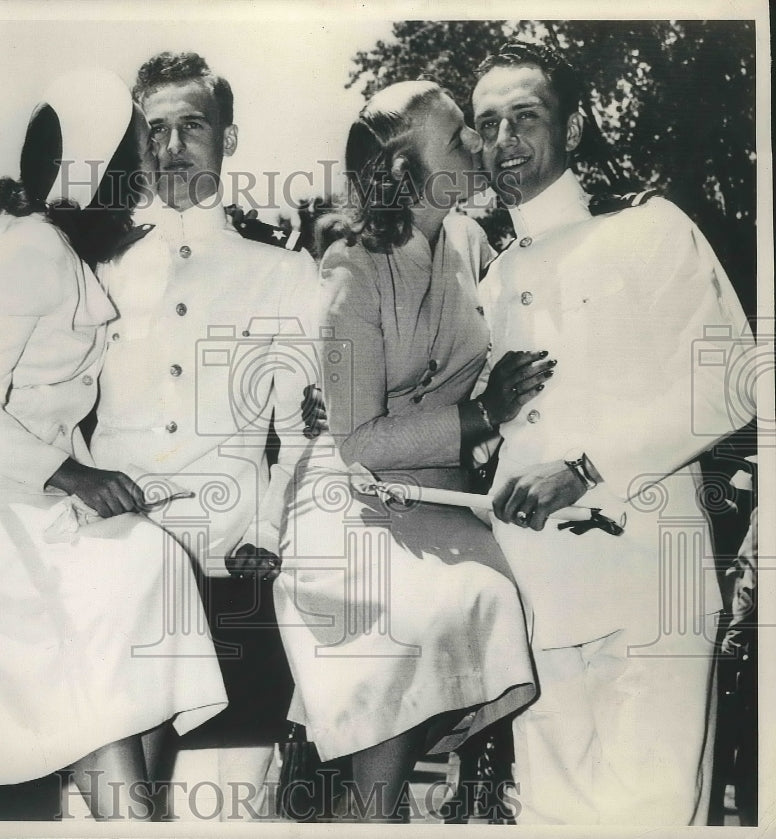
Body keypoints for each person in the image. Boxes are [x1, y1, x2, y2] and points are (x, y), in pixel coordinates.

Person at [0, 52, 320, 818]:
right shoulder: (94, 255)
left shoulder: (285, 275)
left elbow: (299, 435)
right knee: (104, 802)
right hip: (94, 532)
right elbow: (5, 370)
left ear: (229, 139)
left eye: (193, 125)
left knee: (218, 809)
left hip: (225, 549)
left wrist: (267, 526)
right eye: (152, 130)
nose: (171, 146)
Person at [470, 40, 756, 824]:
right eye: (487, 124)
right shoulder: (490, 279)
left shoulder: (650, 230)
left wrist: (588, 464)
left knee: (652, 815)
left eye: (524, 117)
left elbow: (734, 381)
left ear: (574, 126)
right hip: (539, 595)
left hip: (646, 582)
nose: (504, 141)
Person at [271, 80, 544, 822]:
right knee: (411, 620)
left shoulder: (473, 242)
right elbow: (356, 439)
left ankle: (348, 775)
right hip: (352, 499)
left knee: (484, 599)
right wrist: (481, 415)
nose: (481, 147)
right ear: (405, 168)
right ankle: (367, 806)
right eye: (459, 139)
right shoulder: (350, 270)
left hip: (443, 499)